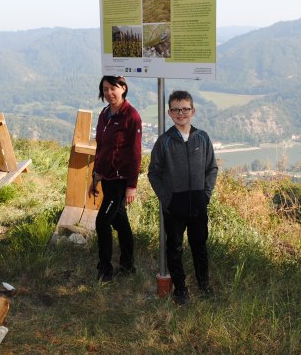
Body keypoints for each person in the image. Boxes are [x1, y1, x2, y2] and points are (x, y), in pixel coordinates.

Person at [148, 90, 218, 304]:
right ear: (169, 112)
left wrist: (205, 196)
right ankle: (181, 289)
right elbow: (154, 173)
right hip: (174, 207)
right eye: (176, 110)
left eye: (185, 109)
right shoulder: (164, 142)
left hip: (198, 205)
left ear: (193, 111)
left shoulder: (202, 138)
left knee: (200, 246)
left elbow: (211, 168)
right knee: (175, 248)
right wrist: (167, 199)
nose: (181, 113)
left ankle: (204, 285)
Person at [88, 75, 143, 282]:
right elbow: (101, 147)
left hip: (121, 180)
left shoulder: (132, 116)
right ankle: (128, 266)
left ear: (123, 88)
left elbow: (136, 154)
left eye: (113, 88)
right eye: (105, 89)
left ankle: (105, 271)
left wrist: (131, 186)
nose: (109, 93)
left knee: (103, 222)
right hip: (107, 178)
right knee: (120, 223)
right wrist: (96, 175)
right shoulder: (104, 113)